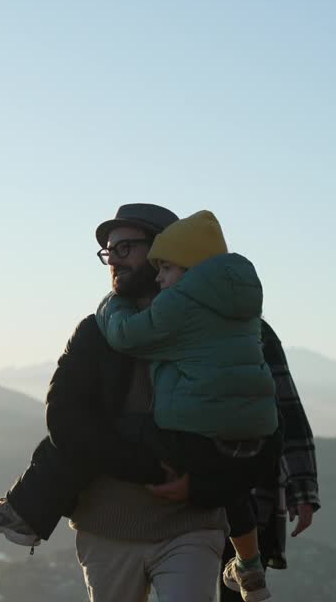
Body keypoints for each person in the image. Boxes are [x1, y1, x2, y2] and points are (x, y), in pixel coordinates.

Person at [0, 203, 281, 602]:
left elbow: (264, 437)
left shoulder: (230, 330)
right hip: (106, 531)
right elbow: (64, 422)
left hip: (192, 528)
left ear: (162, 255)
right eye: (108, 252)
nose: (113, 261)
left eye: (125, 248)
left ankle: (26, 510)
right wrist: (153, 471)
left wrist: (200, 488)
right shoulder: (96, 332)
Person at [93, 209, 279, 601]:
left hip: (191, 495)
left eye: (164, 266)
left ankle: (28, 510)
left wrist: (110, 305)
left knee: (121, 427)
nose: (160, 277)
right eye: (109, 252)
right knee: (233, 485)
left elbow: (126, 335)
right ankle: (250, 565)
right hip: (248, 438)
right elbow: (277, 423)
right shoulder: (245, 313)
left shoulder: (176, 306)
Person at [219, 319, 321, 602]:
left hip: (247, 500)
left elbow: (285, 406)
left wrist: (302, 487)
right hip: (232, 499)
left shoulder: (252, 329)